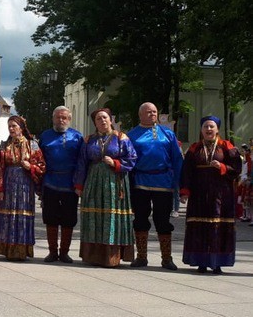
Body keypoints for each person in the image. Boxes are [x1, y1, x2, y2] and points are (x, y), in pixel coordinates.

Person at [74, 108, 137, 267]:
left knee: (111, 217)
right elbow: (81, 163)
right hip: (93, 182)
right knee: (93, 217)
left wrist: (115, 163)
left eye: (104, 118)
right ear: (95, 123)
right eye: (98, 119)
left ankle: (111, 257)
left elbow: (132, 158)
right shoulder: (89, 140)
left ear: (110, 119)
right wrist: (79, 185)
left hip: (114, 181)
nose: (102, 121)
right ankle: (93, 256)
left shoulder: (121, 138)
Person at [180, 116, 242, 274]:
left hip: (221, 194)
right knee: (200, 227)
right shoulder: (194, 148)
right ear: (201, 130)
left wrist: (222, 166)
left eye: (211, 127)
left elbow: (237, 169)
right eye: (205, 127)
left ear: (217, 129)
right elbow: (186, 171)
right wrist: (185, 191)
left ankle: (217, 263)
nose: (208, 129)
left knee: (218, 227)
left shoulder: (226, 147)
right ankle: (201, 262)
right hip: (199, 194)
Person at [128, 102, 183, 271]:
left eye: (154, 112)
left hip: (163, 182)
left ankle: (167, 258)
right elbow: (127, 160)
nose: (152, 114)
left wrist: (179, 184)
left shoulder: (167, 133)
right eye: (148, 112)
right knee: (140, 219)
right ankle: (141, 257)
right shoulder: (132, 135)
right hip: (140, 182)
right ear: (140, 115)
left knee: (163, 220)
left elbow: (177, 159)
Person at [0, 116, 45, 261]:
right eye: (9, 126)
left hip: (25, 184)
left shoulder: (32, 144)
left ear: (21, 128)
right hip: (8, 182)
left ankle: (21, 251)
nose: (11, 129)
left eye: (14, 126)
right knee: (8, 215)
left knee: (22, 215)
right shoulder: (4, 145)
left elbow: (42, 166)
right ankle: (8, 250)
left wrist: (31, 167)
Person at [38, 106, 83, 263]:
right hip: (50, 182)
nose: (61, 120)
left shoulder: (77, 137)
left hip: (70, 183)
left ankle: (64, 252)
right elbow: (38, 160)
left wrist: (79, 184)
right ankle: (52, 252)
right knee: (50, 217)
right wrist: (39, 184)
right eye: (58, 117)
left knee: (68, 218)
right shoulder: (45, 136)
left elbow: (82, 161)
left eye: (64, 117)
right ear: (53, 118)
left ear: (69, 119)